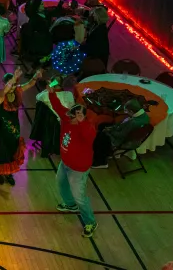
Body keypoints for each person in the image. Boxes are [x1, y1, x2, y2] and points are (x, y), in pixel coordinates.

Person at [47, 84, 98, 237]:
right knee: (61, 183)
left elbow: (89, 136)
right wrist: (51, 94)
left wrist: (82, 122)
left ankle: (90, 222)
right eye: (70, 115)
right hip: (65, 163)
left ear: (81, 118)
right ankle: (70, 205)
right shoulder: (67, 118)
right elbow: (57, 107)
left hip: (79, 169)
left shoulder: (87, 128)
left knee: (80, 196)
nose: (69, 118)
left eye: (75, 116)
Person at [0, 72, 37, 185]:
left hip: (15, 127)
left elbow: (30, 84)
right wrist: (14, 78)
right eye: (11, 83)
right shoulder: (0, 94)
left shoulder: (18, 91)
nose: (13, 86)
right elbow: (6, 90)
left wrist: (37, 75)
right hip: (3, 128)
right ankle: (0, 172)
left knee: (13, 150)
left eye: (14, 83)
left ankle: (8, 172)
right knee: (3, 151)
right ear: (4, 83)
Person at [92, 99, 150, 169]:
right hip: (130, 137)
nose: (125, 112)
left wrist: (109, 131)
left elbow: (121, 135)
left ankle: (101, 162)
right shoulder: (145, 116)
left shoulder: (133, 122)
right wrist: (112, 128)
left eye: (126, 111)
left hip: (121, 140)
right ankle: (107, 152)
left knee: (100, 137)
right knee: (102, 126)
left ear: (131, 111)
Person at [32, 76, 78, 156]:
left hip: (51, 124)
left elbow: (37, 97)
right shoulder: (69, 94)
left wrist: (48, 88)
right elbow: (72, 109)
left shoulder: (45, 95)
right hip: (66, 124)